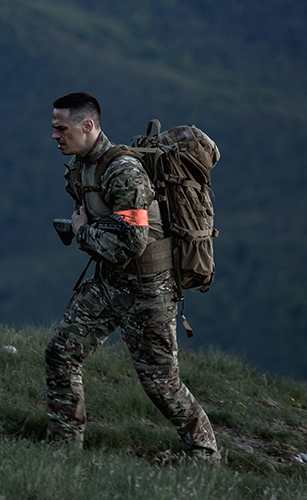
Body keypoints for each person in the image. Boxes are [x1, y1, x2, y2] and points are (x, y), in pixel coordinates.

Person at [46, 91, 219, 463]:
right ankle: (63, 450)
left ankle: (205, 457)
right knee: (61, 352)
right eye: (54, 128)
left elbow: (133, 242)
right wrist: (85, 228)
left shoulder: (123, 171)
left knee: (163, 386)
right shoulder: (79, 167)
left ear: (88, 125)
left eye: (62, 128)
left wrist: (81, 233)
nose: (55, 135)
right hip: (110, 284)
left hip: (148, 292)